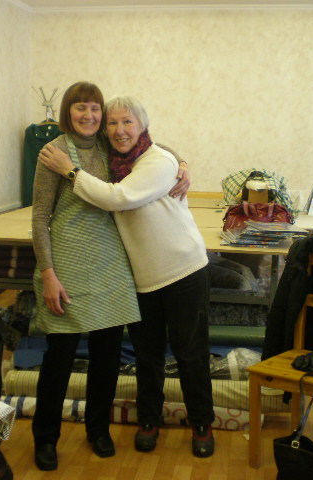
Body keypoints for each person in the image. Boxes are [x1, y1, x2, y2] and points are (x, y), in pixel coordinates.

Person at [39, 95, 216, 458]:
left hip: (182, 270)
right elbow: (42, 214)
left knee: (190, 353)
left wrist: (71, 171)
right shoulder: (109, 156)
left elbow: (118, 198)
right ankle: (149, 420)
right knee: (147, 356)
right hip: (139, 276)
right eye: (113, 123)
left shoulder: (157, 161)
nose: (119, 130)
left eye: (127, 122)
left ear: (142, 126)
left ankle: (201, 422)